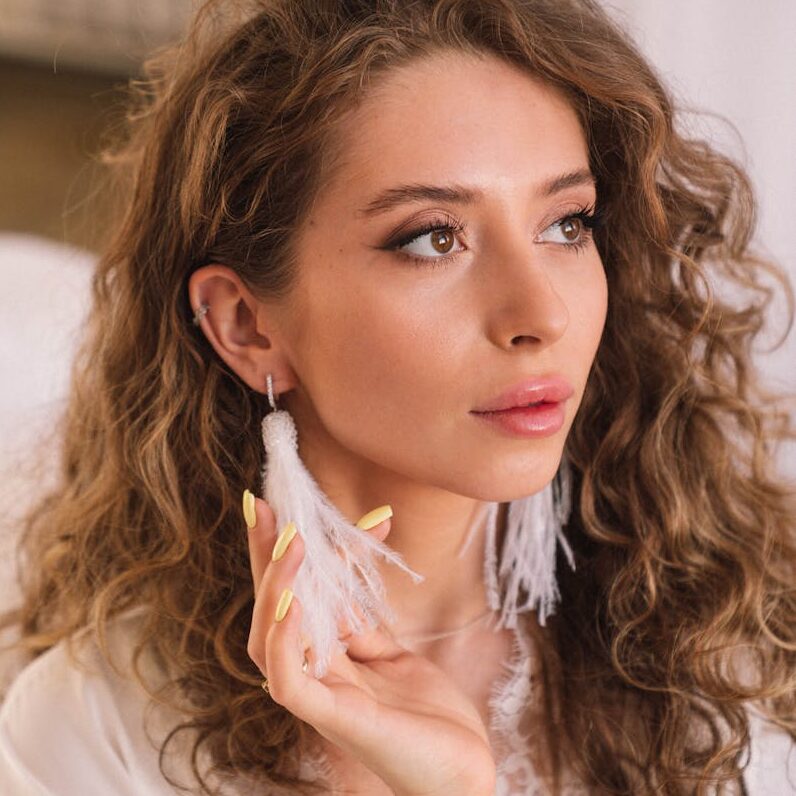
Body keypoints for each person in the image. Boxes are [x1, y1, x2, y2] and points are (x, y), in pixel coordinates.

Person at [1, 0, 794, 793]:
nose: (541, 314)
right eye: (434, 237)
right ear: (246, 325)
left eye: (566, 223)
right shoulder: (97, 729)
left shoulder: (734, 641)